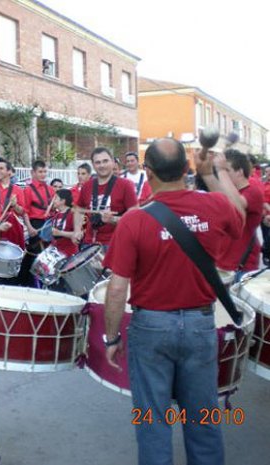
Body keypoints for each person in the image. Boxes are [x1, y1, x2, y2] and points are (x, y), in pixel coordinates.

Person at [103, 138, 245, 465]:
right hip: (199, 325)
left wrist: (111, 337)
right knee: (203, 421)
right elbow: (239, 213)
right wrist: (213, 173)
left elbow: (116, 288)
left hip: (150, 327)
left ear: (148, 172)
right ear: (186, 169)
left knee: (153, 423)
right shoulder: (216, 206)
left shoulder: (134, 220)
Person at [207, 149, 264, 280]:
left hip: (242, 265)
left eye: (227, 171)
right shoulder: (230, 191)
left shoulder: (252, 191)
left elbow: (236, 204)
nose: (222, 175)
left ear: (239, 172)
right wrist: (208, 173)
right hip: (223, 261)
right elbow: (221, 197)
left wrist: (221, 171)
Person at [74, 147, 138, 250]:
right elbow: (78, 210)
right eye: (98, 162)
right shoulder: (87, 186)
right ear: (93, 165)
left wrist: (113, 219)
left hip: (116, 244)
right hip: (89, 244)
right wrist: (77, 230)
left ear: (112, 162)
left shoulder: (125, 185)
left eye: (105, 161)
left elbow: (135, 217)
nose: (102, 165)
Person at [20, 159, 56, 286]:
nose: (43, 174)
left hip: (47, 224)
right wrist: (29, 227)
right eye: (40, 172)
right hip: (35, 224)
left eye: (45, 171)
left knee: (46, 256)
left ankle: (42, 282)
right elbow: (25, 211)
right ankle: (26, 281)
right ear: (33, 173)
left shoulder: (51, 190)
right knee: (34, 255)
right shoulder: (28, 190)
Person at [50, 189, 77, 257]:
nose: (53, 201)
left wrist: (60, 233)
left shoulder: (73, 214)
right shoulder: (55, 216)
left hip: (70, 255)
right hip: (58, 255)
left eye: (56, 198)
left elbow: (80, 235)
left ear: (63, 201)